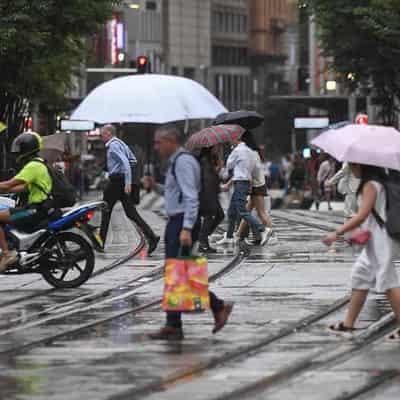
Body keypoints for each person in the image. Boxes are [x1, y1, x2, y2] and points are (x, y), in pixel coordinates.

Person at [149, 124, 233, 340]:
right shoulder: (177, 161)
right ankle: (176, 323)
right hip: (177, 221)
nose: (156, 147)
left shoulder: (184, 161)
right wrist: (154, 186)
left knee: (180, 272)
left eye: (159, 142)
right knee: (178, 273)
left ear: (170, 141)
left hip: (182, 223)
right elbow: (175, 193)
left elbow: (190, 197)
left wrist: (186, 228)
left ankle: (211, 308)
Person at [323, 164, 400, 339]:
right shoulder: (375, 182)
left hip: (382, 240)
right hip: (375, 238)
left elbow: (361, 215)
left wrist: (337, 233)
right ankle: (348, 323)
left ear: (362, 165)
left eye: (352, 163)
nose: (350, 167)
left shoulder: (371, 184)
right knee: (361, 275)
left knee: (387, 280)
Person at [99, 125, 159, 255]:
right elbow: (133, 160)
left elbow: (126, 162)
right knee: (131, 213)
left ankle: (100, 242)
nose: (101, 137)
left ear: (109, 133)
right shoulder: (121, 144)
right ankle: (152, 237)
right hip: (120, 180)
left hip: (116, 182)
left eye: (102, 134)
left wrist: (126, 181)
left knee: (105, 210)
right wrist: (119, 170)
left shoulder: (113, 145)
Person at [0, 132, 53, 271]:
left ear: (26, 149)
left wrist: (4, 187)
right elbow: (23, 187)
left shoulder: (32, 167)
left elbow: (9, 184)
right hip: (40, 208)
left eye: (20, 149)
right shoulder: (40, 164)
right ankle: (11, 245)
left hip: (33, 210)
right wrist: (4, 191)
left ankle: (7, 254)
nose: (17, 153)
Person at [218, 133, 269, 246]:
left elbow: (229, 165)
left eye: (231, 139)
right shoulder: (250, 151)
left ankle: (262, 229)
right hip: (245, 181)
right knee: (232, 211)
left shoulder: (237, 150)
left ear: (237, 139)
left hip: (241, 182)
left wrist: (232, 153)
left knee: (242, 210)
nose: (229, 142)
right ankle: (230, 236)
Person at [236, 132, 273, 244]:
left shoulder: (250, 153)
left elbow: (251, 170)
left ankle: (271, 233)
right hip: (258, 185)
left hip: (256, 186)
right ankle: (239, 236)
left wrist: (249, 186)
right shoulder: (254, 152)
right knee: (246, 211)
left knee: (261, 213)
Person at [198, 147, 225, 253]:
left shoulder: (211, 159)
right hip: (207, 194)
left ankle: (203, 238)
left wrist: (218, 167)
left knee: (220, 215)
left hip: (211, 193)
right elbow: (208, 179)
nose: (218, 148)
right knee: (209, 216)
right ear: (210, 148)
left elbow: (214, 176)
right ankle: (203, 241)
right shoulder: (205, 160)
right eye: (216, 146)